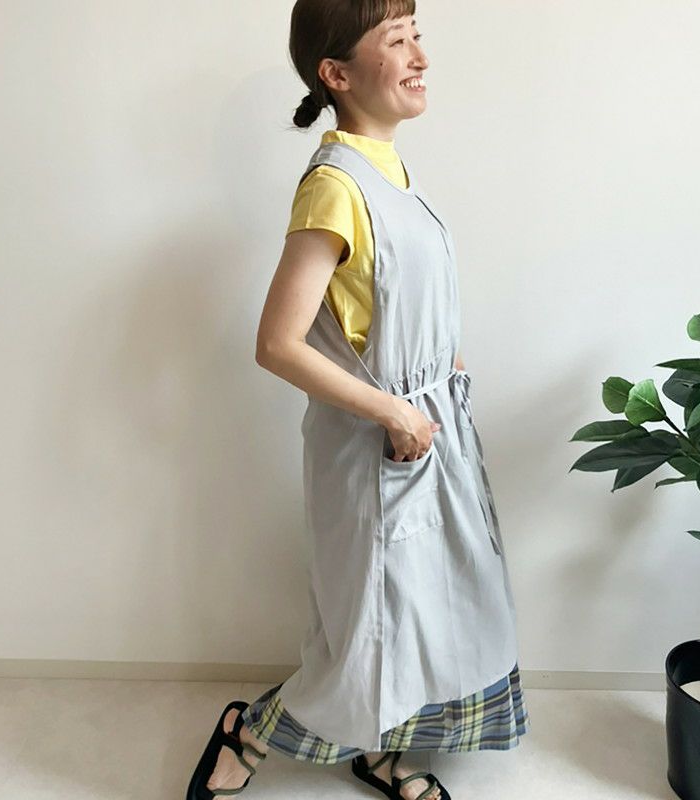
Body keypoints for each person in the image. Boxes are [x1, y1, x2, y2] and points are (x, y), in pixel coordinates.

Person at [186, 3, 529, 799]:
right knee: (370, 632)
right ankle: (251, 731)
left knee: (426, 614)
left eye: (417, 36)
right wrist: (395, 411)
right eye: (396, 40)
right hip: (377, 447)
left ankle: (382, 753)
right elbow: (278, 343)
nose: (420, 57)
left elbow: (397, 303)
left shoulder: (391, 172)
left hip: (430, 434)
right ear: (336, 73)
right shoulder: (335, 186)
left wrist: (445, 374)